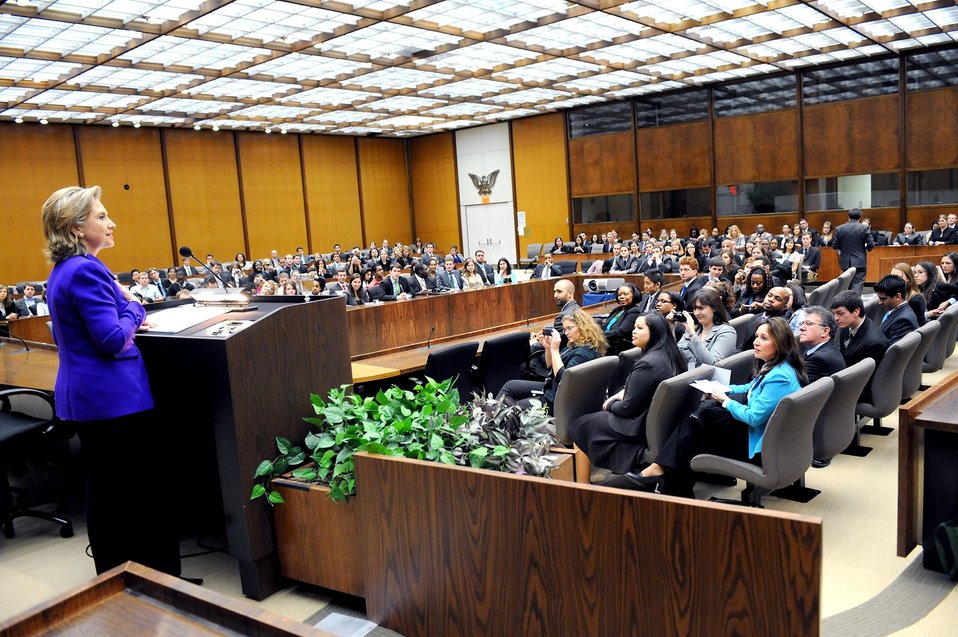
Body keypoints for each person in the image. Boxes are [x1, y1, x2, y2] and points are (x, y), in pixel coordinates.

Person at [41, 185, 181, 577]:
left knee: (107, 488)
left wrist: (123, 307)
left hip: (90, 398)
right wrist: (135, 306)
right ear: (74, 228)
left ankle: (117, 573)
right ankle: (154, 575)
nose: (111, 222)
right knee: (136, 491)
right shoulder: (85, 269)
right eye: (101, 216)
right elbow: (110, 339)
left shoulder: (66, 270)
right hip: (113, 400)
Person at [629, 316, 805, 497]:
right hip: (763, 434)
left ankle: (667, 483)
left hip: (759, 446)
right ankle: (670, 485)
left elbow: (754, 417)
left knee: (691, 437)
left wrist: (724, 400)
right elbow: (750, 388)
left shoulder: (780, 377)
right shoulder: (778, 367)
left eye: (764, 338)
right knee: (691, 429)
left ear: (780, 343)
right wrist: (721, 389)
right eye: (756, 336)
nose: (756, 342)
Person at [569, 313, 686, 474]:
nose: (634, 331)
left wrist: (610, 405)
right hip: (662, 424)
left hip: (635, 425)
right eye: (634, 327)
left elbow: (627, 408)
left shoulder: (648, 363)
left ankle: (582, 484)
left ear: (655, 332)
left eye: (639, 328)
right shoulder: (671, 354)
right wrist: (622, 393)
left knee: (581, 423)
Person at [497, 308, 605, 412]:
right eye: (564, 329)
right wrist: (548, 347)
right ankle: (492, 419)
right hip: (551, 388)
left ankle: (493, 422)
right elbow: (550, 366)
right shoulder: (576, 344)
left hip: (554, 400)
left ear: (583, 327)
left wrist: (554, 349)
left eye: (570, 328)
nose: (566, 333)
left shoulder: (584, 353)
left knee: (515, 407)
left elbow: (564, 379)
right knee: (510, 386)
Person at [830, 290, 887, 402]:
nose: (836, 318)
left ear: (856, 312)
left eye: (840, 313)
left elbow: (866, 379)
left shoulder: (874, 342)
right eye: (834, 313)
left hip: (860, 389)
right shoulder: (847, 325)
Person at [676, 288, 736, 369]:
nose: (696, 313)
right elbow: (676, 354)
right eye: (694, 309)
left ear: (714, 308)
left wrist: (693, 335)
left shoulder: (727, 332)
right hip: (688, 375)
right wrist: (671, 328)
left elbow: (712, 364)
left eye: (701, 308)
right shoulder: (696, 330)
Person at [797, 306, 845, 383]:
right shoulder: (829, 348)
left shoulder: (819, 359)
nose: (801, 328)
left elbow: (799, 390)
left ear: (825, 331)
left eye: (809, 324)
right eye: (802, 323)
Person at [832, 208, 873, 293]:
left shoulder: (839, 228)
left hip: (845, 261)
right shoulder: (864, 228)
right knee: (858, 283)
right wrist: (867, 248)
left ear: (848, 216)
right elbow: (871, 244)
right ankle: (855, 303)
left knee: (848, 283)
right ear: (860, 217)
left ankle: (849, 303)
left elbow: (835, 246)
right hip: (860, 261)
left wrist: (843, 248)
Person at [873, 275, 919, 345]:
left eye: (883, 299)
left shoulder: (903, 320)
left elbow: (893, 352)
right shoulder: (898, 311)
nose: (880, 302)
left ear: (898, 297)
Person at [601, 284, 642, 355]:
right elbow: (605, 327)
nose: (622, 297)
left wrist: (598, 335)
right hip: (606, 345)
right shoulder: (617, 310)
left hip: (618, 350)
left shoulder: (634, 312)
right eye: (619, 295)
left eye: (625, 294)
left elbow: (619, 333)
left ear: (634, 295)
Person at [890, 262, 927, 326]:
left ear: (908, 278)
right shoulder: (895, 294)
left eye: (899, 277)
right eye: (892, 277)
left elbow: (917, 324)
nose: (894, 280)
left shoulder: (916, 299)